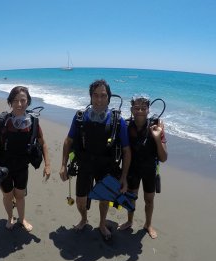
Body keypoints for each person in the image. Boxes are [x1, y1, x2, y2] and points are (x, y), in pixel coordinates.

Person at [59, 79, 131, 240]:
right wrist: (63, 165)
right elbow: (68, 141)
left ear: (109, 98)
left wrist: (124, 177)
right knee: (80, 201)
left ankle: (102, 224)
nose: (99, 100)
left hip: (106, 165)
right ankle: (84, 219)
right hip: (85, 163)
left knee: (104, 199)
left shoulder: (117, 121)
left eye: (103, 96)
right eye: (95, 95)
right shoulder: (80, 117)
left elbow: (126, 150)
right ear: (90, 97)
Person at [0, 86, 51, 231]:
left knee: (20, 195)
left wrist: (47, 165)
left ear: (28, 102)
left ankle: (22, 219)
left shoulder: (33, 122)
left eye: (23, 100)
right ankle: (9, 218)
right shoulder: (2, 121)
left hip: (22, 166)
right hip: (3, 166)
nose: (19, 104)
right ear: (10, 102)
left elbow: (42, 142)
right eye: (15, 101)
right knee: (7, 195)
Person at [119, 96, 168, 239]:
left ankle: (148, 224)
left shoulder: (156, 126)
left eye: (143, 108)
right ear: (131, 110)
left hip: (149, 169)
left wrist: (157, 137)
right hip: (132, 168)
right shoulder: (126, 126)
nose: (140, 111)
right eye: (136, 108)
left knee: (149, 199)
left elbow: (164, 158)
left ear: (148, 110)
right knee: (131, 197)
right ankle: (129, 221)